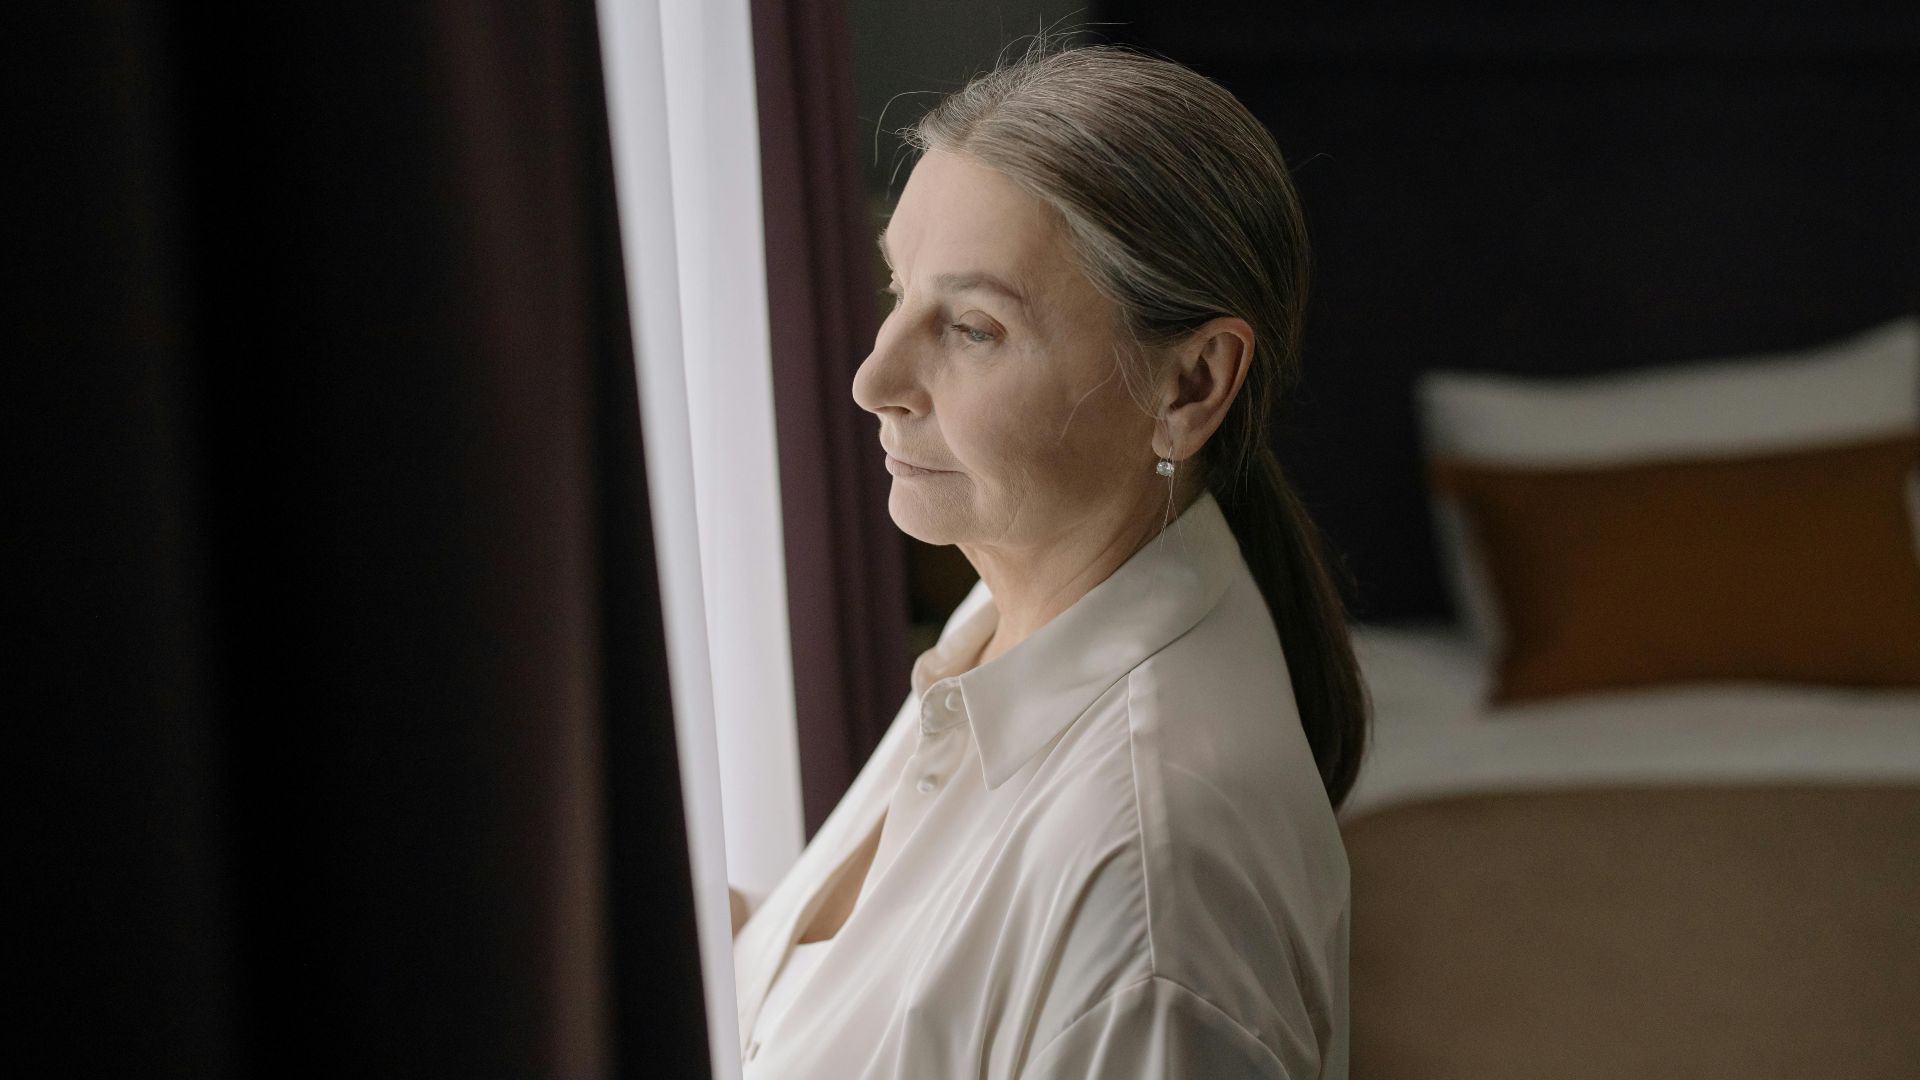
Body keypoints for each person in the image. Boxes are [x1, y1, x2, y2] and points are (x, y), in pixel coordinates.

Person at [729, 37, 1370, 1079]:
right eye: (900, 291)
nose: (873, 376)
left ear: (1190, 386)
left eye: (973, 328)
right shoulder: (1013, 616)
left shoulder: (1153, 894)